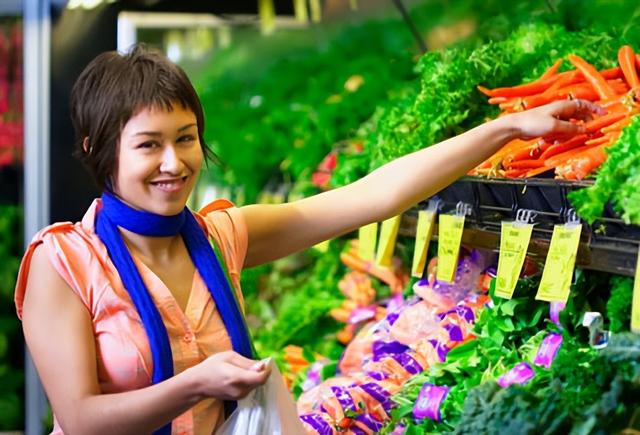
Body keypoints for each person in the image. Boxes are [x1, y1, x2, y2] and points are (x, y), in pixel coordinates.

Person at [15, 44, 598, 435]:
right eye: (149, 144)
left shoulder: (220, 236)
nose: (175, 162)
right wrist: (196, 384)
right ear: (97, 149)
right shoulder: (62, 262)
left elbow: (374, 196)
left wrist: (506, 127)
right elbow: (81, 419)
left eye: (186, 138)